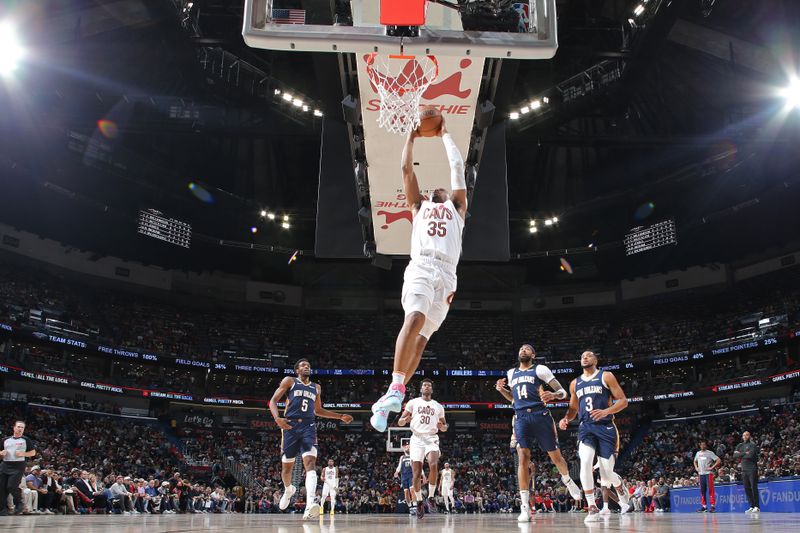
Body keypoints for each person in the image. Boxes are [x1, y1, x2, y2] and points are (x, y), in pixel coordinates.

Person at [370, 117, 467, 432]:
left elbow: (457, 168)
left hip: (448, 275)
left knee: (423, 340)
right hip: (423, 266)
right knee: (413, 319)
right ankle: (397, 388)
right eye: (434, 187)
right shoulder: (418, 206)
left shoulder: (457, 208)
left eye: (444, 187)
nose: (439, 186)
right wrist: (411, 137)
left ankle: (393, 397)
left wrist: (446, 135)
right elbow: (406, 170)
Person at [495, 344, 583, 522]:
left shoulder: (540, 369)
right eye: (520, 349)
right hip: (520, 418)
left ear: (533, 355)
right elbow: (514, 398)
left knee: (555, 457)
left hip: (540, 416)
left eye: (527, 349)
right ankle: (525, 507)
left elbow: (562, 391)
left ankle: (567, 479)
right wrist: (501, 390)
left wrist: (554, 395)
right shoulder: (511, 373)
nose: (523, 351)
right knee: (523, 458)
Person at [269, 358, 353, 519]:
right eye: (303, 365)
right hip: (290, 426)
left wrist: (340, 416)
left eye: (308, 365)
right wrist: (277, 418)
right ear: (297, 370)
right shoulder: (289, 381)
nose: (306, 367)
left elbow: (318, 410)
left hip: (309, 427)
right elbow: (273, 401)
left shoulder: (316, 387)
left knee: (310, 463)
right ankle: (288, 489)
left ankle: (309, 505)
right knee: (287, 468)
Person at [559, 350, 631, 523]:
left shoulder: (606, 376)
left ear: (596, 360)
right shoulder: (575, 383)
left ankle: (618, 483)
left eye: (589, 355)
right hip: (586, 428)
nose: (585, 357)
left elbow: (623, 401)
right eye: (582, 355)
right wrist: (566, 419)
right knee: (585, 461)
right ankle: (592, 506)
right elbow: (573, 409)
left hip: (606, 427)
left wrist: (606, 411)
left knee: (606, 474)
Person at [397, 378, 448, 519]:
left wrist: (442, 427)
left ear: (431, 389)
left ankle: (430, 497)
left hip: (431, 438)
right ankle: (419, 501)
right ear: (421, 389)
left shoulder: (438, 406)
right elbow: (401, 422)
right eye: (424, 385)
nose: (427, 387)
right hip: (417, 439)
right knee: (417, 473)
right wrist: (404, 420)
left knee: (433, 464)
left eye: (429, 386)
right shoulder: (413, 403)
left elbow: (445, 426)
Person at [0, 420, 36, 516]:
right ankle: (2, 509)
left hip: (18, 465)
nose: (20, 429)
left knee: (11, 486)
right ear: (14, 427)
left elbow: (33, 453)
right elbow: (0, 452)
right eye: (19, 427)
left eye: (22, 427)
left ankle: (19, 503)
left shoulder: (26, 440)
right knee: (2, 488)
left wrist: (23, 454)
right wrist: (1, 453)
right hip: (5, 464)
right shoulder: (5, 440)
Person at [734, 431, 760, 513]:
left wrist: (741, 454)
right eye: (744, 435)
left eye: (747, 435)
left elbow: (751, 455)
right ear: (742, 437)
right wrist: (745, 453)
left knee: (753, 487)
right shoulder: (740, 445)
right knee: (746, 488)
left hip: (752, 469)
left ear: (750, 436)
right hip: (744, 469)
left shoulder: (753, 445)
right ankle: (751, 506)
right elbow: (735, 456)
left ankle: (756, 506)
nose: (745, 436)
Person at [694, 441, 721, 512]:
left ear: (706, 446)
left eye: (704, 444)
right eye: (701, 445)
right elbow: (694, 461)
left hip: (708, 474)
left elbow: (718, 460)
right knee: (702, 491)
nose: (702, 446)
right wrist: (696, 468)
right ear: (700, 446)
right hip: (701, 474)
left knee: (711, 490)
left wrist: (712, 467)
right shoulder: (698, 453)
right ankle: (704, 506)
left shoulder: (710, 453)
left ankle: (712, 506)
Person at [394, 443, 414, 514]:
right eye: (406, 447)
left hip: (411, 475)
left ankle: (414, 506)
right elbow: (399, 466)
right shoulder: (402, 457)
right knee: (406, 492)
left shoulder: (413, 456)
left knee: (412, 490)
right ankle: (410, 507)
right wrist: (396, 472)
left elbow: (417, 467)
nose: (407, 447)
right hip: (404, 476)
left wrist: (422, 475)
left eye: (409, 447)